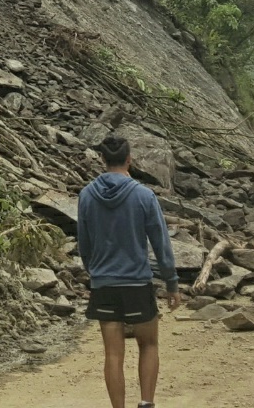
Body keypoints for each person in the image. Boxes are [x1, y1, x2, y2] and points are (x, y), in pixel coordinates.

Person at [77, 135, 181, 408]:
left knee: (113, 354)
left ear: (102, 159)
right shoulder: (144, 195)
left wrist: (95, 273)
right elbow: (161, 243)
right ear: (129, 160)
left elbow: (84, 244)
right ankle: (146, 402)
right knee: (149, 344)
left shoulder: (86, 196)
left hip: (104, 285)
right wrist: (171, 283)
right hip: (137, 283)